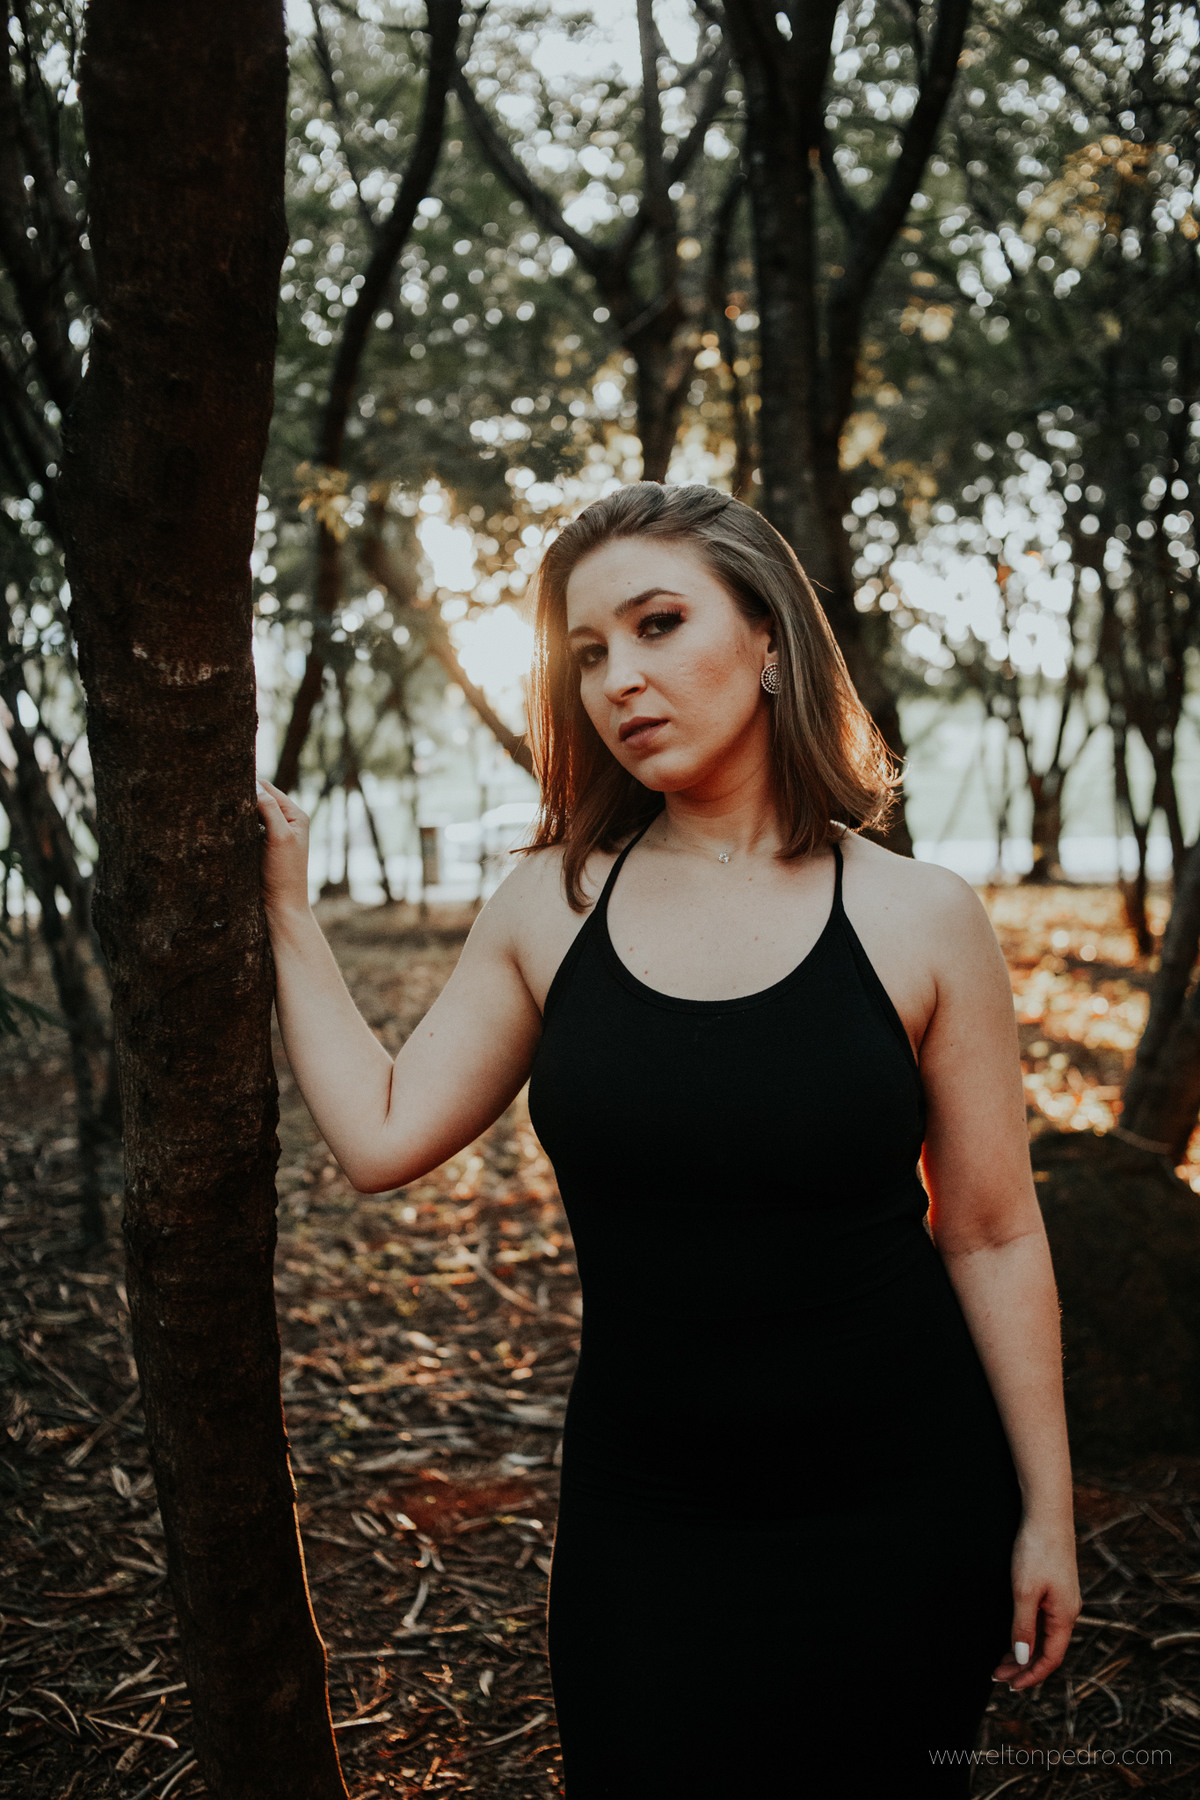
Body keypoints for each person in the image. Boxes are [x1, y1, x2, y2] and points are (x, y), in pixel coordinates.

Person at [256, 482, 1080, 1797]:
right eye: (588, 654)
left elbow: (988, 1231)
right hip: (649, 1517)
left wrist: (1048, 1512)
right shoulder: (551, 905)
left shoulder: (922, 917)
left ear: (769, 639)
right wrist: (290, 919)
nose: (619, 680)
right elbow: (381, 1132)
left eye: (656, 625)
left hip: (902, 1504)